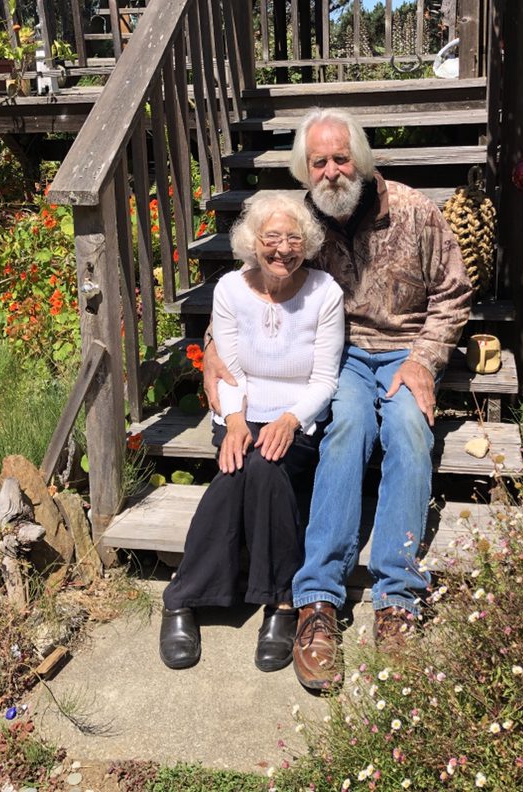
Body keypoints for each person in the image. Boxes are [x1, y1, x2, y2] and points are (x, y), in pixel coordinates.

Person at [204, 108, 472, 690]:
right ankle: (318, 599)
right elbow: (255, 287)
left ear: (362, 160)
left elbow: (454, 294)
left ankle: (397, 597)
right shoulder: (302, 222)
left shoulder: (414, 211)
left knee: (408, 432)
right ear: (306, 168)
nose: (331, 171)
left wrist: (425, 360)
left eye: (341, 158)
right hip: (342, 356)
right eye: (319, 162)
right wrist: (211, 347)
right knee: (346, 427)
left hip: (405, 353)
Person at [159, 191, 345, 674]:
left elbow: (325, 380)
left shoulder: (324, 292)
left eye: (294, 239)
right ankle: (264, 600)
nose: (283, 249)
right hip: (240, 411)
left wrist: (289, 419)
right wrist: (236, 421)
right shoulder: (230, 289)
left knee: (261, 466)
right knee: (240, 468)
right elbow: (228, 369)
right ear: (252, 242)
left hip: (298, 417)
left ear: (308, 243)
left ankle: (206, 596)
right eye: (271, 238)